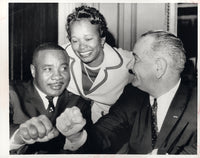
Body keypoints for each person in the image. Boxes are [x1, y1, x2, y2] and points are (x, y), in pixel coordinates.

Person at [56, 30, 197, 154]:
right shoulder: (133, 95)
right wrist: (78, 136)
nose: (129, 65)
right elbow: (105, 133)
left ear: (159, 67)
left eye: (136, 59)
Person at [9, 43, 92, 154]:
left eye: (63, 68)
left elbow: (91, 150)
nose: (57, 76)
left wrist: (76, 139)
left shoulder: (78, 103)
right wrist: (19, 136)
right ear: (33, 71)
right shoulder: (11, 93)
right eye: (48, 69)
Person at [63, 5, 133, 123]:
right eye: (75, 40)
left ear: (102, 40)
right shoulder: (60, 56)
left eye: (88, 39)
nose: (81, 47)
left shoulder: (127, 63)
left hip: (109, 131)